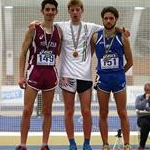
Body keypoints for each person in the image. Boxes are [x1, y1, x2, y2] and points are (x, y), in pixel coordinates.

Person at [29, 1, 130, 150]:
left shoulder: (91, 27)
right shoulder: (60, 26)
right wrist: (34, 23)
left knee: (86, 111)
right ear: (69, 11)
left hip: (85, 76)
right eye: (72, 10)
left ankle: (87, 143)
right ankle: (72, 143)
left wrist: (122, 30)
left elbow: (110, 27)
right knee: (69, 111)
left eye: (77, 10)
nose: (75, 12)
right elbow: (46, 23)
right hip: (66, 76)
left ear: (82, 11)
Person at [15, 0, 62, 150]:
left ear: (56, 12)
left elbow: (59, 52)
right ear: (42, 11)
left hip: (50, 75)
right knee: (27, 110)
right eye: (47, 9)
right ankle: (22, 144)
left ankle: (44, 144)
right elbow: (23, 53)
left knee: (47, 111)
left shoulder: (59, 31)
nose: (50, 12)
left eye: (52, 9)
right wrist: (20, 76)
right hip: (34, 73)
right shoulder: (33, 30)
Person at [91, 6, 133, 150]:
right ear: (102, 19)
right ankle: (105, 144)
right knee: (103, 113)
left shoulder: (122, 38)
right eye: (106, 18)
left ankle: (127, 144)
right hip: (103, 81)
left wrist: (120, 72)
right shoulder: (96, 37)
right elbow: (89, 57)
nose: (108, 21)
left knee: (122, 112)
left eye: (111, 18)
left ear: (115, 20)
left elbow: (130, 62)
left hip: (118, 80)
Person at [135, 83, 150, 149]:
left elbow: (146, 108)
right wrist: (146, 100)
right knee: (145, 124)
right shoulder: (139, 98)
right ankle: (142, 146)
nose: (148, 91)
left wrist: (146, 108)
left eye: (149, 90)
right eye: (146, 90)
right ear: (144, 90)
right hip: (142, 118)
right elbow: (138, 107)